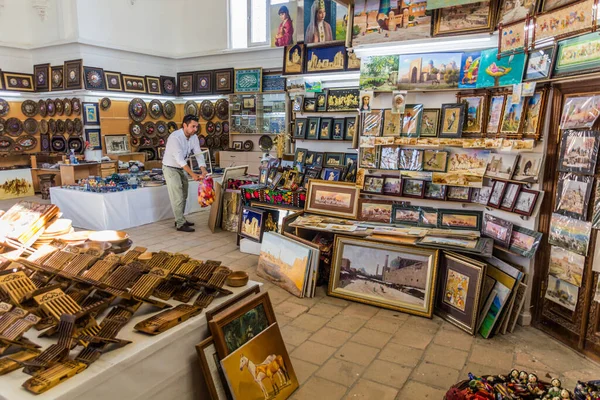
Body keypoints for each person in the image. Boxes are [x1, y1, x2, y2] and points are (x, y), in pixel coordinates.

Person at [162, 114, 208, 232]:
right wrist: (193, 174)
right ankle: (180, 224)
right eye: (193, 126)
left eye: (196, 127)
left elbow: (198, 154)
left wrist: (203, 169)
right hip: (170, 167)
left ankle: (179, 218)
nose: (195, 129)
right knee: (177, 195)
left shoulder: (194, 137)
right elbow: (180, 160)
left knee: (184, 194)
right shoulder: (175, 137)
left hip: (182, 168)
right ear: (184, 125)